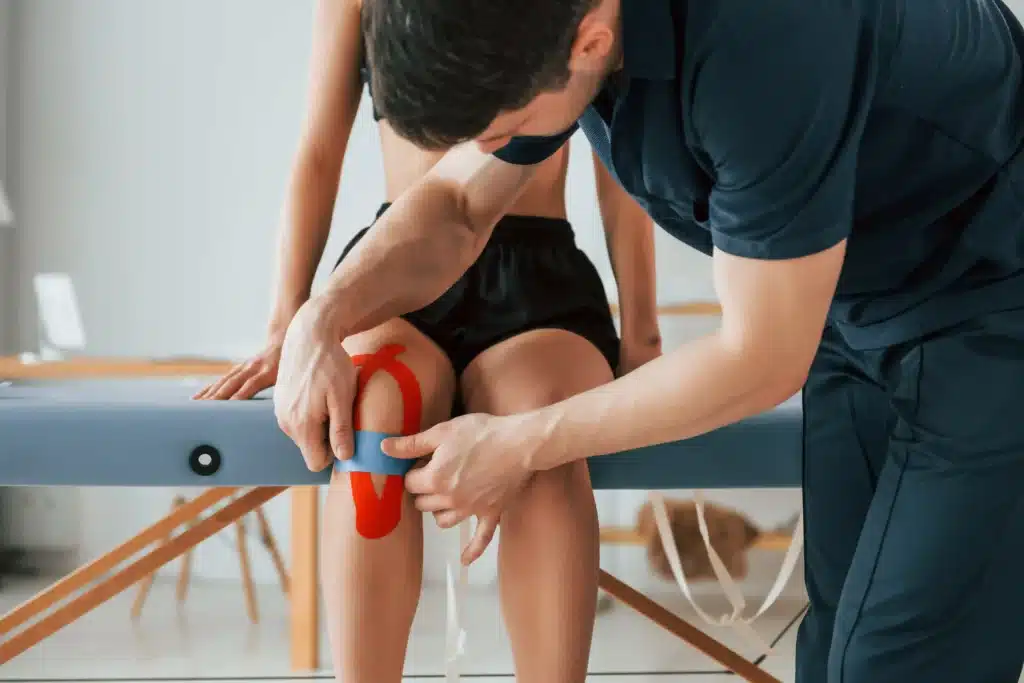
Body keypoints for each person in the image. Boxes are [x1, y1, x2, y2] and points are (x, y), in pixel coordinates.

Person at [271, 0, 1024, 681]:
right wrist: (322, 313)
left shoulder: (763, 41)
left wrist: (524, 441)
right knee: (830, 654)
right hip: (855, 293)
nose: (491, 151)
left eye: (499, 133)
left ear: (591, 41)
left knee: (892, 662)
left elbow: (762, 358)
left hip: (992, 297)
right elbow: (460, 203)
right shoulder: (551, 30)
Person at [196, 1, 660, 681]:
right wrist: (289, 327)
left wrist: (642, 336)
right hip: (401, 266)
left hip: (538, 279)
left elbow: (619, 163)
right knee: (369, 418)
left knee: (541, 420)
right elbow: (319, 149)